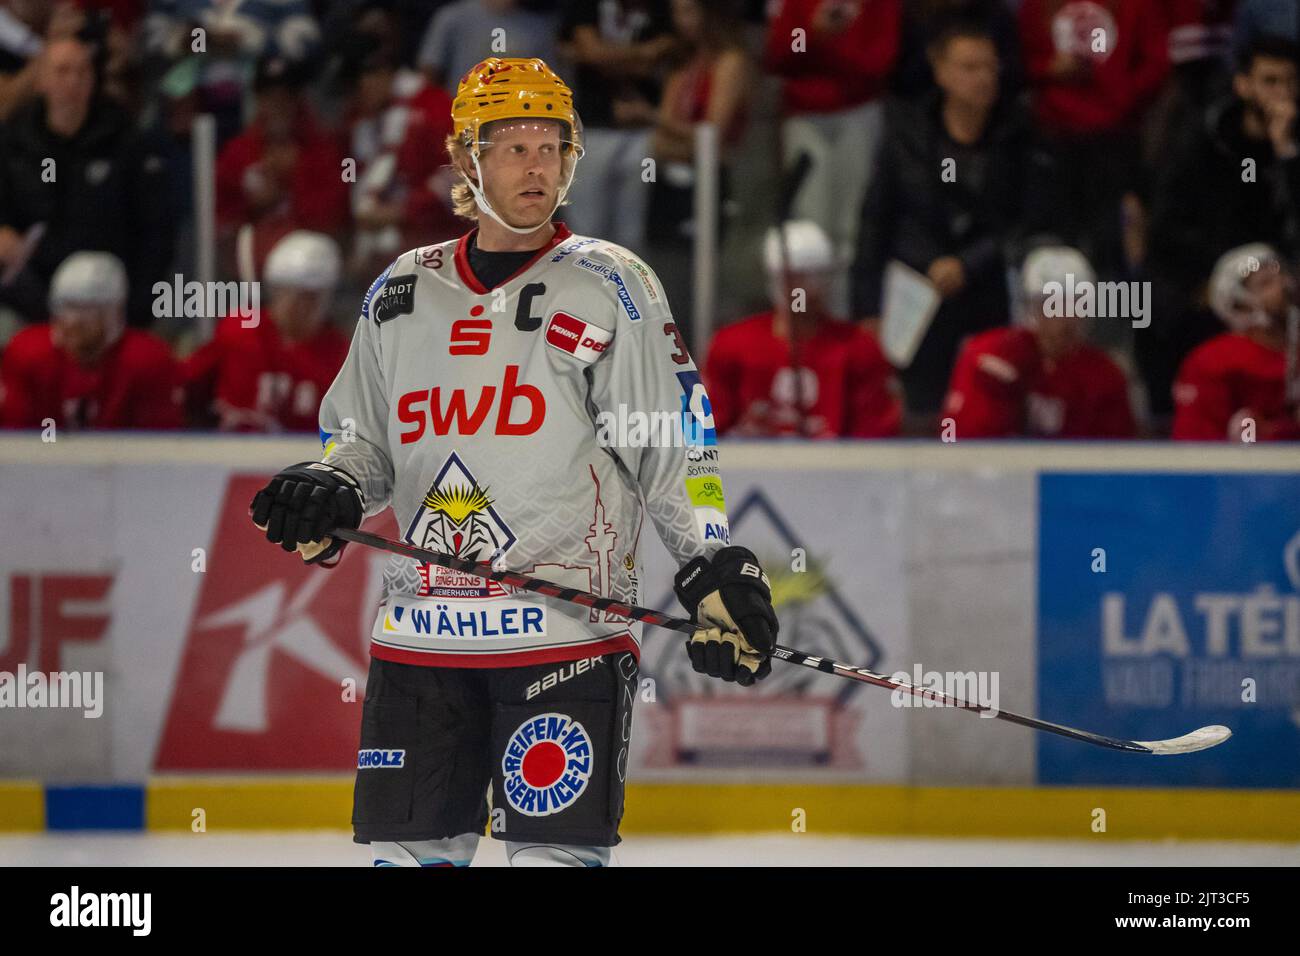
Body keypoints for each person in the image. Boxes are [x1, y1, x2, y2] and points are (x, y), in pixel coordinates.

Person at [247, 57, 779, 867]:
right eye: (514, 146)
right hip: (421, 641)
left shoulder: (612, 284)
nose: (538, 166)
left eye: (553, 146)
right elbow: (363, 441)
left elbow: (674, 446)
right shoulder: (400, 290)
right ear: (468, 158)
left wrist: (714, 563)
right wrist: (336, 486)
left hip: (567, 640)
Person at [852, 20, 1039, 420]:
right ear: (941, 73)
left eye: (990, 67)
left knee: (987, 406)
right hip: (915, 297)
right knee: (919, 412)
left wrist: (969, 264)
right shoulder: (908, 135)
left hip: (988, 294)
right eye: (970, 68)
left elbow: (1026, 220)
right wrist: (867, 307)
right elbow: (876, 221)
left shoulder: (1018, 137)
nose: (984, 78)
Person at [1143, 35, 1299, 421]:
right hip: (1208, 280)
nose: (1282, 93)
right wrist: (1231, 279)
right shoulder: (1204, 142)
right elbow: (1167, 226)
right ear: (1242, 84)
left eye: (1290, 82)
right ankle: (1171, 417)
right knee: (1151, 300)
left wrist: (1287, 156)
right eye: (1270, 81)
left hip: (1284, 281)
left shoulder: (1295, 149)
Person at [0, 34, 173, 324]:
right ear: (41, 81)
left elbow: (155, 232)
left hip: (107, 294)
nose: (74, 81)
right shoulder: (13, 142)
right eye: (62, 71)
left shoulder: (125, 141)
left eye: (83, 71)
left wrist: (138, 310)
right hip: (30, 294)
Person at [705, 220, 900, 437]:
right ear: (774, 277)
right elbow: (707, 431)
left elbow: (875, 438)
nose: (803, 289)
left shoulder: (859, 349)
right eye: (792, 278)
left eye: (816, 277)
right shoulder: (731, 345)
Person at [941, 246, 1136, 439]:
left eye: (1076, 304)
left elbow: (1118, 455)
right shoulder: (989, 356)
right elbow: (952, 435)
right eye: (1051, 304)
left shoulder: (1105, 376)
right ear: (1030, 306)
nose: (1064, 317)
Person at [183, 231, 349, 432]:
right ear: (275, 290)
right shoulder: (240, 330)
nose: (302, 306)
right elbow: (189, 386)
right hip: (231, 456)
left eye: (313, 297)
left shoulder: (341, 355)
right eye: (294, 294)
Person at [0, 251, 182, 429]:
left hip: (123, 458)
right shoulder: (28, 353)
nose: (72, 321)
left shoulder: (147, 360)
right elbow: (17, 438)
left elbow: (157, 444)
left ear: (113, 313)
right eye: (66, 306)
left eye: (86, 309)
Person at [1172, 243, 1300, 440]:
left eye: (1282, 275)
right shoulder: (1212, 361)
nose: (1283, 285)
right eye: (1266, 283)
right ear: (1239, 305)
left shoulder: (1293, 351)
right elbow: (1196, 446)